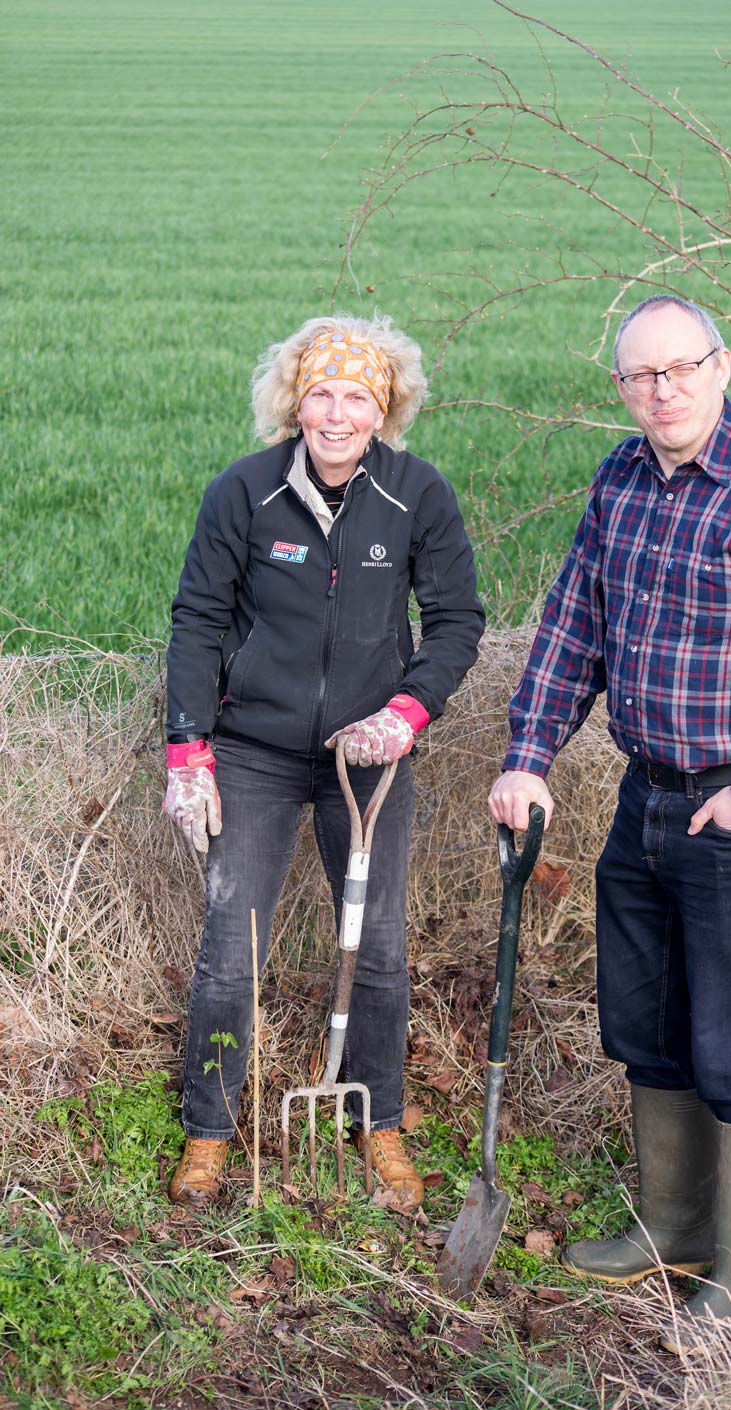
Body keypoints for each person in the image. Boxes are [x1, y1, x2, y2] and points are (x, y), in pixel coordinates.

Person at [488, 294, 731, 1350]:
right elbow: (575, 625)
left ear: (720, 367)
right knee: (646, 1024)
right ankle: (669, 1226)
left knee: (729, 1041)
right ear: (620, 387)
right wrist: (529, 755)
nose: (660, 391)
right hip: (641, 796)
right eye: (638, 377)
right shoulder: (620, 478)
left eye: (679, 370)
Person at [163, 313, 484, 1207]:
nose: (337, 414)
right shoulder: (245, 493)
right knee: (232, 949)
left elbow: (457, 621)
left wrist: (407, 713)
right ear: (293, 400)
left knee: (376, 948)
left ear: (384, 410)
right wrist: (188, 750)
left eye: (357, 397)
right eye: (321, 394)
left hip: (368, 755)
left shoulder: (417, 496)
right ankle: (208, 1131)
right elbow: (196, 621)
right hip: (254, 753)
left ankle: (379, 1122)